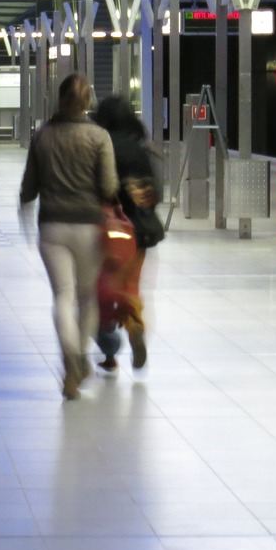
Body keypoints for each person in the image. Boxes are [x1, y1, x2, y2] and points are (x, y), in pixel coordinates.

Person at [19, 73, 119, 400]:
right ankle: (79, 357)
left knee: (62, 296)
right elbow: (108, 187)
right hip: (89, 226)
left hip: (52, 226)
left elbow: (28, 188)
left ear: (59, 98)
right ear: (88, 100)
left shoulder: (43, 135)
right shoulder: (99, 136)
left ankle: (70, 360)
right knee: (87, 296)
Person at [91, 94, 161, 373]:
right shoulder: (142, 150)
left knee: (103, 291)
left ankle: (110, 350)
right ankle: (134, 326)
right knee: (130, 286)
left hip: (110, 231)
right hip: (142, 231)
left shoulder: (102, 148)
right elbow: (155, 193)